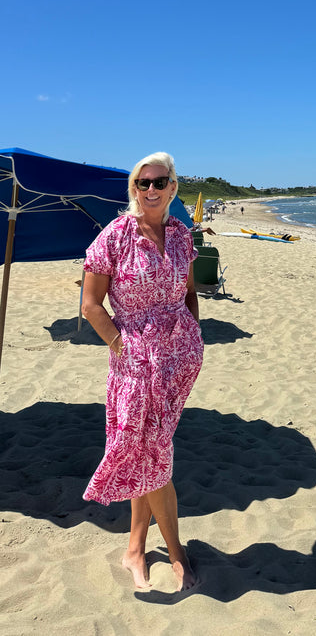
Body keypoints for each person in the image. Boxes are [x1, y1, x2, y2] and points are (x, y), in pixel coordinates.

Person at [81, 152, 204, 591]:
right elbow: (91, 306)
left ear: (173, 187)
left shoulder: (181, 234)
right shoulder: (114, 236)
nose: (151, 189)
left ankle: (136, 547)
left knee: (149, 451)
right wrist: (122, 347)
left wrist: (192, 334)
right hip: (134, 364)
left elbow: (188, 293)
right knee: (150, 452)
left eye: (160, 182)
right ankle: (174, 550)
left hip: (178, 363)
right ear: (134, 188)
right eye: (143, 182)